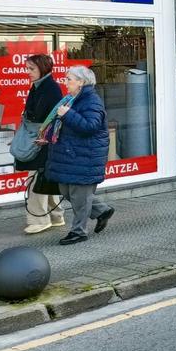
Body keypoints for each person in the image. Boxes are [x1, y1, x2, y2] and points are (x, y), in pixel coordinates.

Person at [45, 65, 114, 245]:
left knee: (80, 198)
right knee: (66, 191)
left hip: (85, 156)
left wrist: (68, 114)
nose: (65, 82)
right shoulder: (71, 99)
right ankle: (101, 210)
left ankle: (79, 232)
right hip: (71, 155)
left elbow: (90, 126)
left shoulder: (92, 101)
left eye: (69, 79)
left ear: (81, 82)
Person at [16, 54, 65, 234]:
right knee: (44, 177)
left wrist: (45, 137)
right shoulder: (40, 86)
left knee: (35, 179)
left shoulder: (50, 88)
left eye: (31, 68)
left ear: (42, 68)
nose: (28, 72)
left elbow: (54, 117)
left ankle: (38, 220)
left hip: (43, 140)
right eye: (27, 68)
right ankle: (56, 216)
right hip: (41, 139)